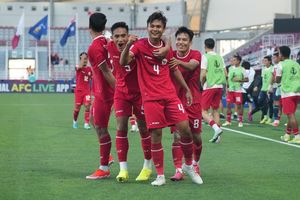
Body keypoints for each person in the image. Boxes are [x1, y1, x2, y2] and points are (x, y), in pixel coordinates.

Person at [120, 11, 203, 186]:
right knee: (156, 135)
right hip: (150, 99)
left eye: (158, 26)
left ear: (163, 29)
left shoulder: (167, 48)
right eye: (152, 26)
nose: (155, 29)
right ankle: (160, 175)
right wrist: (127, 45)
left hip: (170, 96)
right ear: (147, 27)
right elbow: (124, 62)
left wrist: (187, 89)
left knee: (185, 129)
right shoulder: (140, 45)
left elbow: (174, 69)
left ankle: (188, 165)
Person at [107, 22, 152, 182]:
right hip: (121, 93)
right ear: (112, 38)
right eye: (117, 36)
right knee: (121, 127)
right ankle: (123, 169)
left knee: (143, 128)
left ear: (128, 36)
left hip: (140, 93)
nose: (120, 39)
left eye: (123, 36)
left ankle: (147, 166)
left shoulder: (137, 47)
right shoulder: (109, 47)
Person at [168, 26, 203, 181]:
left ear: (190, 42)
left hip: (193, 100)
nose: (181, 42)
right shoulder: (171, 54)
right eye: (179, 39)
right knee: (177, 136)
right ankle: (178, 170)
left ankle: (195, 163)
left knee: (196, 137)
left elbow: (191, 65)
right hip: (176, 101)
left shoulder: (196, 54)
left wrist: (177, 61)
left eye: (184, 40)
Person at [85, 13, 116, 180]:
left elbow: (106, 72)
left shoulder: (95, 48)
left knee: (101, 128)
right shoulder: (106, 40)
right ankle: (108, 156)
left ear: (89, 26)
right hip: (102, 91)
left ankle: (104, 167)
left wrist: (120, 92)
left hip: (105, 93)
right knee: (92, 119)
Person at [200, 38, 226, 142]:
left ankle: (215, 128)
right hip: (219, 86)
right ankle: (218, 137)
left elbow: (203, 74)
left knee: (202, 111)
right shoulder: (220, 57)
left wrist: (201, 84)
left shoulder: (205, 56)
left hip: (210, 86)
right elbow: (225, 73)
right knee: (215, 110)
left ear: (205, 46)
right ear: (214, 46)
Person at [276, 46, 300, 143]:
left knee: (290, 115)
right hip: (297, 91)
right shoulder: (296, 64)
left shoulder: (281, 64)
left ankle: (297, 136)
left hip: (287, 92)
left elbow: (277, 79)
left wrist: (277, 79)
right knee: (291, 114)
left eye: (278, 53)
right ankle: (287, 134)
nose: (278, 55)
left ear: (281, 55)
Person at [222, 55, 249, 127]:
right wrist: (227, 86)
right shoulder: (230, 68)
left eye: (234, 60)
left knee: (239, 105)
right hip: (230, 90)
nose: (233, 61)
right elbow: (228, 78)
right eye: (232, 60)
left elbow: (247, 79)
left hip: (238, 90)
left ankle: (240, 121)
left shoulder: (242, 69)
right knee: (228, 105)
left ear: (238, 61)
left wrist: (239, 80)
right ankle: (228, 121)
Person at [249, 56, 273, 124]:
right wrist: (256, 86)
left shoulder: (272, 68)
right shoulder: (263, 69)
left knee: (270, 104)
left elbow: (273, 78)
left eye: (265, 60)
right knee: (260, 101)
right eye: (263, 60)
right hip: (263, 89)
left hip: (270, 89)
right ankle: (265, 116)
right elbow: (262, 79)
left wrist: (271, 87)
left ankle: (270, 118)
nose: (264, 62)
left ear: (269, 61)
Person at [73, 52, 92, 130]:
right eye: (83, 58)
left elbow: (93, 78)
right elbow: (79, 67)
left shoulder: (89, 69)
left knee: (87, 106)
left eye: (86, 58)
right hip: (79, 91)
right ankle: (75, 121)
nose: (85, 60)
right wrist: (83, 58)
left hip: (87, 91)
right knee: (77, 108)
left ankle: (86, 124)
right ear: (80, 59)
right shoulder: (78, 66)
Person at [271, 48, 282, 126]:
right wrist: (270, 86)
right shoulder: (274, 66)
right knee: (276, 102)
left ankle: (277, 119)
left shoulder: (281, 65)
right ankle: (276, 119)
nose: (273, 59)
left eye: (274, 57)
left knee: (281, 103)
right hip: (275, 86)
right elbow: (272, 76)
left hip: (281, 86)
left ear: (279, 57)